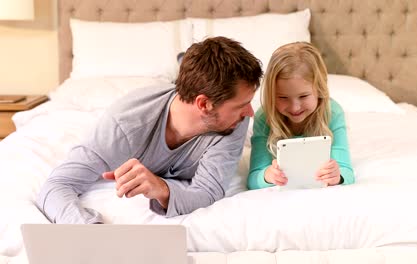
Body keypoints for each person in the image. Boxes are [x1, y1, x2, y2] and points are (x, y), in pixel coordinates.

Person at [37, 36, 263, 224]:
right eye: (241, 105)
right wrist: (90, 231)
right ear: (204, 104)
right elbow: (57, 186)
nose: (250, 113)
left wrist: (163, 189)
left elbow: (208, 192)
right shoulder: (126, 124)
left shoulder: (233, 122)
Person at [247, 42, 354, 189]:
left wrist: (337, 176)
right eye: (283, 97)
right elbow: (254, 179)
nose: (294, 107)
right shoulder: (264, 117)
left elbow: (347, 173)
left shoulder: (332, 112)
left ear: (319, 90)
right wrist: (268, 175)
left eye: (303, 96)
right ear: (272, 94)